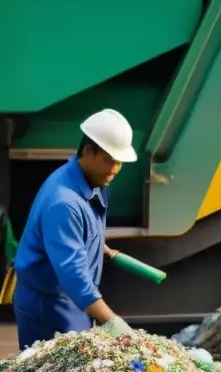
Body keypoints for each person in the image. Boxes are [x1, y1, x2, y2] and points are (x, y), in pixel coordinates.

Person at [12, 109, 137, 349]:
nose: (115, 168)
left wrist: (98, 246)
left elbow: (83, 229)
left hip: (71, 299)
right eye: (110, 159)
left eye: (120, 162)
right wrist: (113, 322)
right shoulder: (64, 203)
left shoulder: (97, 181)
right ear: (88, 151)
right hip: (50, 306)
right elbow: (73, 274)